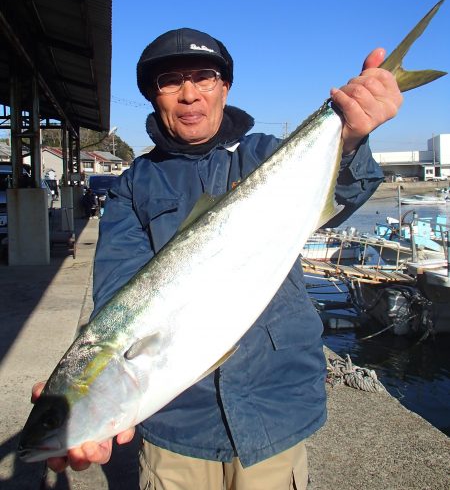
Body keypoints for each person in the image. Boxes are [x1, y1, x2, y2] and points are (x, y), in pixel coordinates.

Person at [32, 28, 402, 488]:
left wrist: (348, 136)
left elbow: (344, 192)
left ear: (224, 88)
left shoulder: (265, 155)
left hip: (274, 410)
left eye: (204, 78)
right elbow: (117, 299)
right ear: (152, 96)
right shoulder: (131, 188)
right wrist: (105, 414)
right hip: (178, 429)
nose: (189, 94)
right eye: (170, 81)